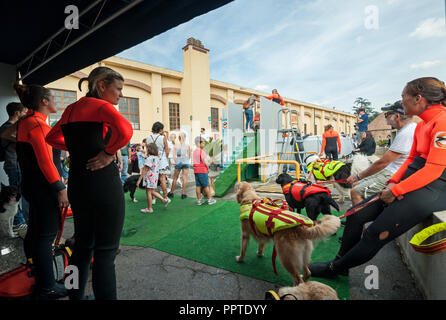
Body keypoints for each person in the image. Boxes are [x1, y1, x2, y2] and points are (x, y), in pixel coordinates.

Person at [309, 77, 446, 278]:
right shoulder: (422, 125)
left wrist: (396, 190)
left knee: (375, 234)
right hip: (411, 181)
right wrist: (393, 182)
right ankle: (341, 260)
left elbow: (434, 169)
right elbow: (411, 161)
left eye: (403, 97)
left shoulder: (442, 122)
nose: (402, 102)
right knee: (356, 214)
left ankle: (334, 269)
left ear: (418, 98)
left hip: (433, 187)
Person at [46, 66, 133, 300]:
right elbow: (126, 130)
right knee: (105, 253)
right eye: (118, 89)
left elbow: (51, 138)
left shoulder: (71, 109)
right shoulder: (101, 106)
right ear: (102, 86)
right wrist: (108, 152)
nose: (121, 95)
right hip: (103, 184)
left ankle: (74, 296)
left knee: (82, 247)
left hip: (78, 183)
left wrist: (75, 149)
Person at [12, 83, 69, 299]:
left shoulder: (26, 122)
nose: (56, 100)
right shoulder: (37, 124)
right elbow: (46, 162)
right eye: (53, 97)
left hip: (32, 188)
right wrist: (60, 188)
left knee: (35, 233)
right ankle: (48, 287)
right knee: (45, 238)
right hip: (44, 190)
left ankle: (34, 271)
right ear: (44, 101)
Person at [345, 101, 417, 205]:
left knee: (355, 192)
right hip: (391, 170)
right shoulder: (409, 128)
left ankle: (358, 220)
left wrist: (358, 176)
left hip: (393, 173)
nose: (385, 117)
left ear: (397, 116)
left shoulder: (406, 133)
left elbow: (383, 162)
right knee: (356, 185)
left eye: (387, 114)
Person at [0, 102, 29, 229]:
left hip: (14, 165)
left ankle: (20, 220)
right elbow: (23, 142)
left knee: (18, 194)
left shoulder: (7, 127)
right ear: (17, 113)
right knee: (16, 195)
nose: (25, 114)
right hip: (14, 165)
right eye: (23, 112)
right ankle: (19, 222)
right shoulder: (7, 128)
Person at [136, 142, 169, 213]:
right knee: (152, 191)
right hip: (154, 178)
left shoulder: (149, 158)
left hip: (149, 178)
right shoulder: (156, 158)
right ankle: (163, 200)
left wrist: (139, 179)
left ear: (149, 150)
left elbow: (145, 170)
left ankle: (149, 208)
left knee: (148, 192)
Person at [147, 122, 170, 202]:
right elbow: (167, 150)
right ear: (160, 129)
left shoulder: (148, 138)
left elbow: (148, 150)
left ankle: (153, 198)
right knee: (162, 179)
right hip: (161, 160)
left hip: (152, 160)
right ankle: (165, 197)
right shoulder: (163, 137)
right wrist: (165, 158)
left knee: (152, 179)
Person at [193, 136, 216, 205]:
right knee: (206, 185)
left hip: (196, 171)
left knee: (198, 186)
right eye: (203, 143)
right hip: (202, 171)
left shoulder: (194, 151)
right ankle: (209, 199)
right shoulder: (201, 151)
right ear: (199, 144)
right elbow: (205, 162)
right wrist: (209, 165)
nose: (204, 144)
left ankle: (199, 200)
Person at [168, 132, 191, 199]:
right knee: (184, 178)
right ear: (185, 138)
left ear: (179, 138)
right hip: (185, 161)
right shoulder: (187, 146)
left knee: (175, 178)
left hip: (178, 161)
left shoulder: (176, 145)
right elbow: (189, 156)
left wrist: (176, 161)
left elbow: (174, 156)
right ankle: (183, 194)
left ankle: (171, 193)